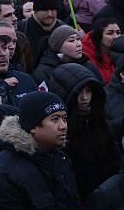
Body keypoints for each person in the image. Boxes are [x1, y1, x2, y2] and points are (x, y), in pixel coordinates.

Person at [0, 92, 80, 210]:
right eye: (55, 119)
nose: (63, 126)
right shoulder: (5, 171)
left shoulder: (59, 158)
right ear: (33, 126)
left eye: (64, 118)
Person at [49, 63, 118, 199]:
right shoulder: (59, 130)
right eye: (79, 92)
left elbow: (112, 159)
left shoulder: (99, 121)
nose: (84, 98)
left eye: (88, 91)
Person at [33, 26, 101, 86]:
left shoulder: (88, 64)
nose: (79, 44)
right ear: (59, 47)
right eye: (71, 40)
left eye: (78, 39)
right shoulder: (43, 72)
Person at [83, 18, 121, 84]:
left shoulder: (121, 52)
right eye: (110, 33)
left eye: (118, 33)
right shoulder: (86, 56)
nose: (116, 37)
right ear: (99, 35)